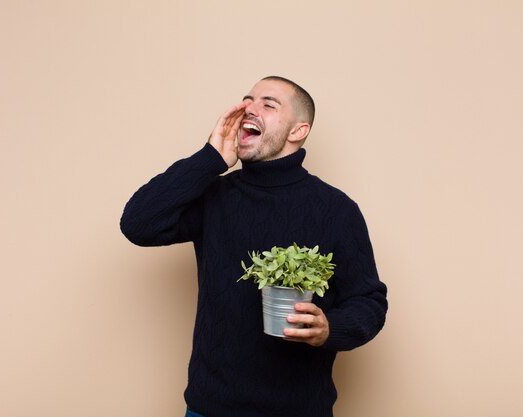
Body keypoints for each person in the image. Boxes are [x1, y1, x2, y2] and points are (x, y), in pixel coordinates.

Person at [120, 76, 388, 417]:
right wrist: (210, 158)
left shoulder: (336, 209)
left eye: (268, 104)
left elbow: (369, 302)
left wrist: (330, 328)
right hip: (210, 409)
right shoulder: (214, 196)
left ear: (297, 131)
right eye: (248, 99)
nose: (250, 107)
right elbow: (138, 224)